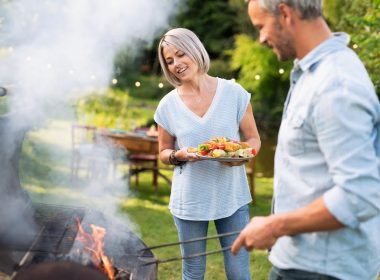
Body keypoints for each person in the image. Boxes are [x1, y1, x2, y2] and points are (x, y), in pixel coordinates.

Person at [231, 1, 380, 280]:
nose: (261, 38)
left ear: (285, 13)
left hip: (322, 270)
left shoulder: (335, 84)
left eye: (261, 26)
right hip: (300, 261)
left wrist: (275, 226)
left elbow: (360, 194)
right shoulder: (312, 73)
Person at [154, 27, 261, 280]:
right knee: (192, 273)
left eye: (181, 55)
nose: (176, 64)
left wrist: (244, 156)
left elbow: (253, 138)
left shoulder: (234, 93)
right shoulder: (168, 105)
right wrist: (178, 155)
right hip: (189, 201)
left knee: (238, 273)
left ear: (195, 51)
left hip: (232, 197)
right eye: (169, 61)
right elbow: (163, 152)